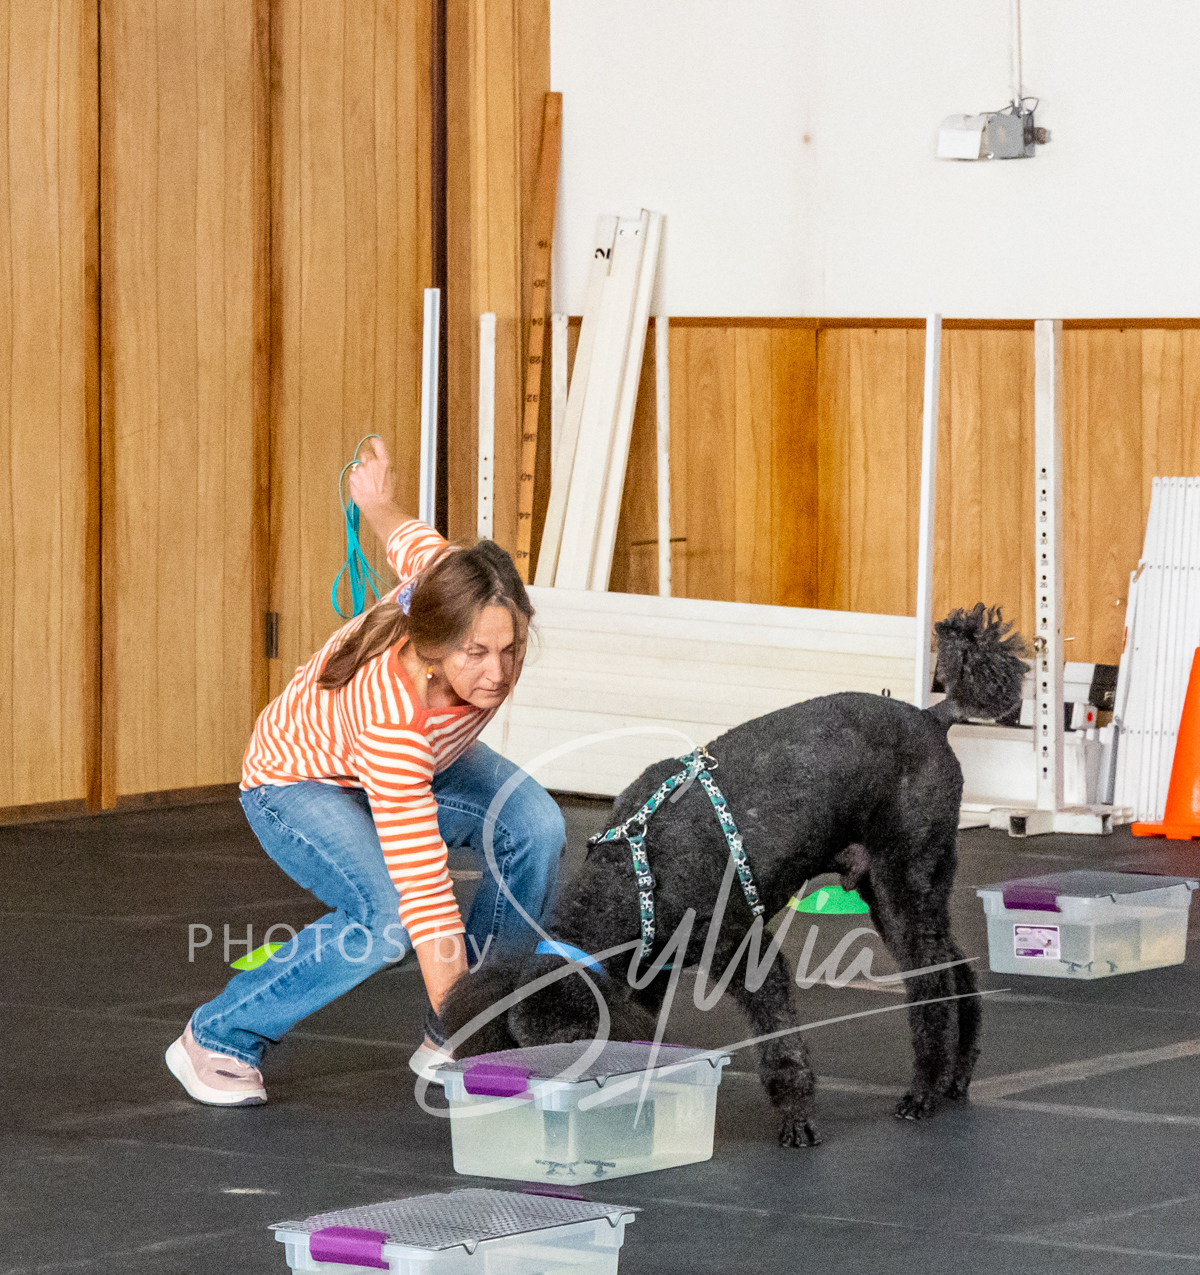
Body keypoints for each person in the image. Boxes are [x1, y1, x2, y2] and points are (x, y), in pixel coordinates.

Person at [165, 437, 564, 1105]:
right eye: (476, 653)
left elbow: (407, 537)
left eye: (512, 648)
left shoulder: (455, 583)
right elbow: (427, 896)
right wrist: (476, 1045)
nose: (498, 673)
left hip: (421, 760)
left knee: (535, 826)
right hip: (297, 779)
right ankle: (218, 1035)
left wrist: (375, 500)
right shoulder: (390, 718)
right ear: (434, 647)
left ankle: (470, 1024)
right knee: (386, 920)